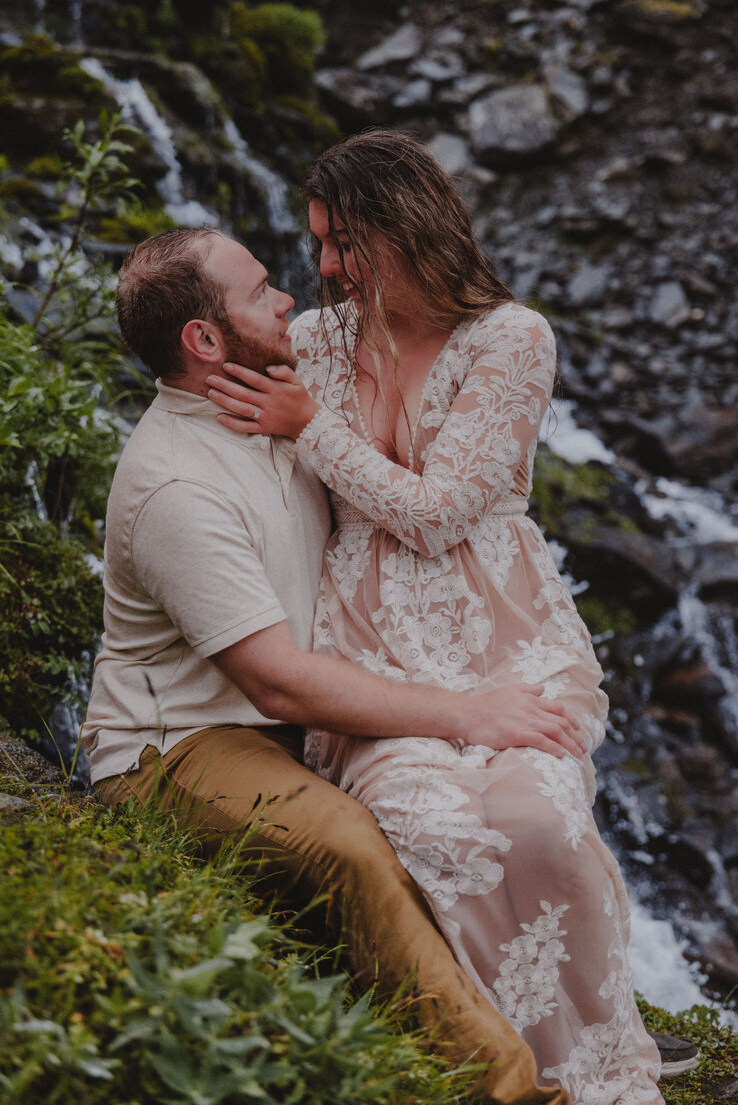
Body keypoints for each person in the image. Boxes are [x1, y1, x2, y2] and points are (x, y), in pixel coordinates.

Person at [204, 129, 672, 1104]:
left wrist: (310, 429)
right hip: (372, 654)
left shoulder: (511, 338)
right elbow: (205, 396)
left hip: (506, 641)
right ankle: (502, 1066)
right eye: (318, 243)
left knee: (536, 822)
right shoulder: (316, 341)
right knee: (432, 829)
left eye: (342, 244)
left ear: (404, 229)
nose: (323, 267)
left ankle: (601, 1073)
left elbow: (437, 515)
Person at [82, 225, 578, 1105]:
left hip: (293, 723)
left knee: (492, 802)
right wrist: (468, 713)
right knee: (355, 841)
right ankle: (512, 1087)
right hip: (182, 745)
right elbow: (275, 679)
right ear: (204, 340)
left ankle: (581, 1029)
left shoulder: (279, 401)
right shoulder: (176, 487)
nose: (291, 301)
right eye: (262, 290)